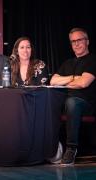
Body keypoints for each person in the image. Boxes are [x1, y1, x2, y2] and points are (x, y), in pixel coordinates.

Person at [50, 27, 96, 165]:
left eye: (79, 40)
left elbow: (83, 83)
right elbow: (53, 81)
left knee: (72, 102)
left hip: (86, 103)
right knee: (46, 103)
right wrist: (73, 77)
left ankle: (71, 148)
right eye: (73, 41)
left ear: (87, 41)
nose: (76, 44)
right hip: (66, 102)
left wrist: (64, 82)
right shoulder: (67, 63)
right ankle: (49, 148)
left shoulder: (93, 60)